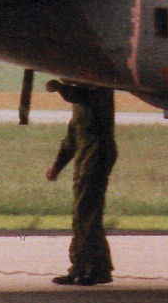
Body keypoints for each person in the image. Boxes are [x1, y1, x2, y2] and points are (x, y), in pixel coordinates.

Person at [44, 79, 117, 285]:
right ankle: (81, 267)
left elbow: (83, 97)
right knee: (82, 213)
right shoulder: (80, 104)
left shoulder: (99, 91)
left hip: (97, 155)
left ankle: (96, 269)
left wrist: (61, 88)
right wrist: (56, 167)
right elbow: (70, 140)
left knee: (86, 212)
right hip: (85, 157)